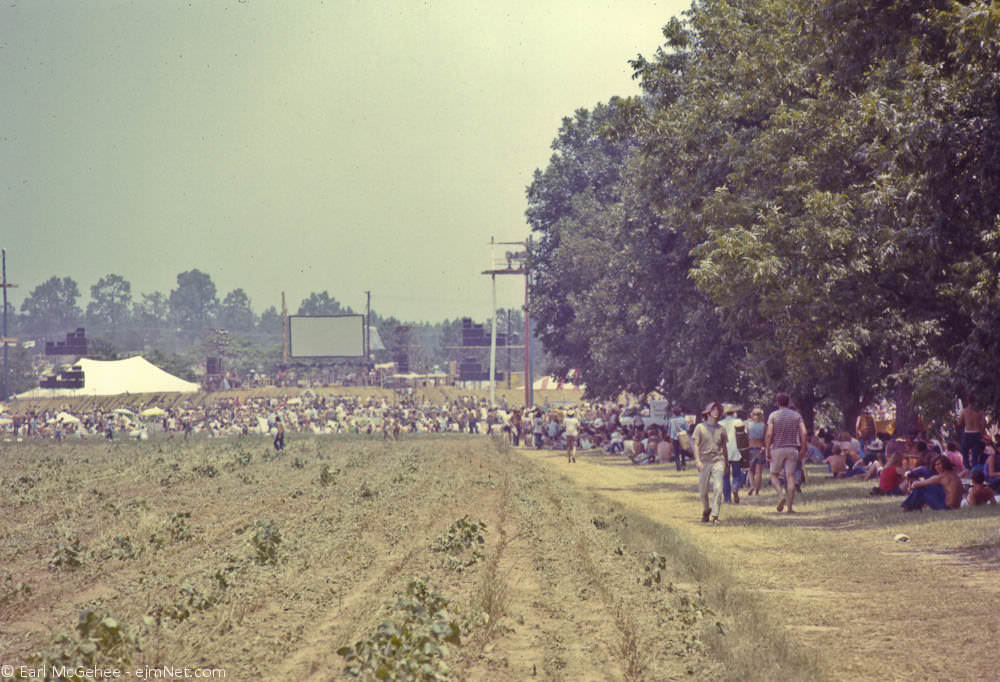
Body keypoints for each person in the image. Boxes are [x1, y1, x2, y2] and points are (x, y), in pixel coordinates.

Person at [765, 392, 808, 513]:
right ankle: (789, 507)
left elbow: (769, 434)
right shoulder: (796, 416)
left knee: (773, 474)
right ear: (789, 402)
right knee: (790, 477)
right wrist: (803, 448)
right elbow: (804, 433)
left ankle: (780, 495)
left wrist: (767, 449)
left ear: (777, 403)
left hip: (777, 449)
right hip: (792, 449)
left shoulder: (773, 415)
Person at [693, 401, 728, 524]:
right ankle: (706, 510)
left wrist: (727, 464)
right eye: (714, 409)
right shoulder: (700, 427)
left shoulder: (722, 429)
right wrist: (697, 460)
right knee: (703, 492)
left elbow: (724, 447)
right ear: (708, 412)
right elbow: (696, 445)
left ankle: (715, 515)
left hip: (718, 461)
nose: (716, 412)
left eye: (718, 410)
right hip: (704, 461)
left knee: (718, 488)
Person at [720, 404, 745, 504]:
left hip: (723, 451)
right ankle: (735, 487)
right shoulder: (738, 422)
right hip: (736, 450)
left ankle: (727, 499)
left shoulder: (720, 423)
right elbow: (743, 435)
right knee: (736, 473)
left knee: (725, 476)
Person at [957, 396, 986, 469]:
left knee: (965, 453)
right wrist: (981, 434)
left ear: (967, 401)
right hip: (976, 433)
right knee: (975, 455)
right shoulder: (980, 412)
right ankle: (974, 470)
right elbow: (983, 424)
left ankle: (967, 469)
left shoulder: (964, 411)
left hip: (967, 433)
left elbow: (960, 424)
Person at [745, 408, 767, 496]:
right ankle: (757, 492)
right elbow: (766, 438)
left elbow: (745, 437)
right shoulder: (764, 425)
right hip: (760, 448)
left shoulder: (748, 425)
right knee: (759, 472)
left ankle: (752, 486)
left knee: (750, 470)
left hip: (750, 448)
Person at [669, 406, 689, 471]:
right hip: (682, 437)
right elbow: (687, 428)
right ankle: (683, 464)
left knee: (676, 453)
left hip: (675, 438)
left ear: (674, 413)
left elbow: (669, 431)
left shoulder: (671, 421)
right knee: (683, 452)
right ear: (680, 413)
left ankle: (678, 467)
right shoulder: (684, 420)